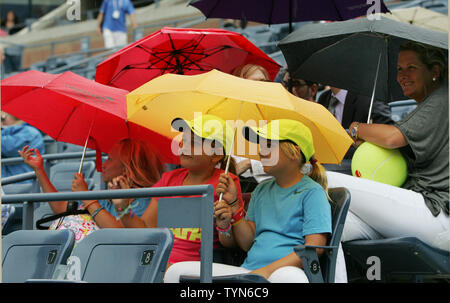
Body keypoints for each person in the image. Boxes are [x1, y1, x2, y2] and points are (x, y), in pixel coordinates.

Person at [164, 119, 348, 283]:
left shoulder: (312, 192)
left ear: (294, 152)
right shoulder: (261, 189)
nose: (261, 151)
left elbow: (314, 248)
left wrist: (267, 271)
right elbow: (247, 243)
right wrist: (231, 214)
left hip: (284, 273)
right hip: (250, 270)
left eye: (269, 145)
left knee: (290, 278)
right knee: (175, 272)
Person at [328, 41, 449, 251]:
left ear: (435, 71)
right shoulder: (431, 103)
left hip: (435, 212)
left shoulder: (442, 98)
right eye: (399, 69)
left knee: (324, 177)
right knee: (334, 229)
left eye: (411, 68)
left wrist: (356, 128)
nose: (402, 75)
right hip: (423, 212)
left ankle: (257, 168)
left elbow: (393, 137)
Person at [112, 114, 244, 266]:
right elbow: (146, 230)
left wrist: (224, 226)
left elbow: (231, 244)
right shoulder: (168, 179)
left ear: (216, 155)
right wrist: (122, 207)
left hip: (195, 270)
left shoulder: (226, 183)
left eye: (193, 143)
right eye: (184, 140)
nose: (184, 146)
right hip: (157, 262)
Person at [19, 138, 164, 242]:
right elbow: (61, 208)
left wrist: (87, 198)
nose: (104, 165)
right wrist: (39, 171)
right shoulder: (105, 197)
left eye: (110, 159)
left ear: (127, 168)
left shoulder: (146, 201)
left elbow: (118, 232)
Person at [231, 64, 273, 190]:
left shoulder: (277, 117)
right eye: (255, 83)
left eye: (264, 82)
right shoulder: (230, 118)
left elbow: (297, 163)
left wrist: (250, 164)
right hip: (238, 188)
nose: (261, 87)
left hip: (270, 187)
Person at [1, 112, 45, 183]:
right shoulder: (6, 132)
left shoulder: (30, 132)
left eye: (3, 117)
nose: (2, 121)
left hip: (23, 183)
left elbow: (9, 147)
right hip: (7, 182)